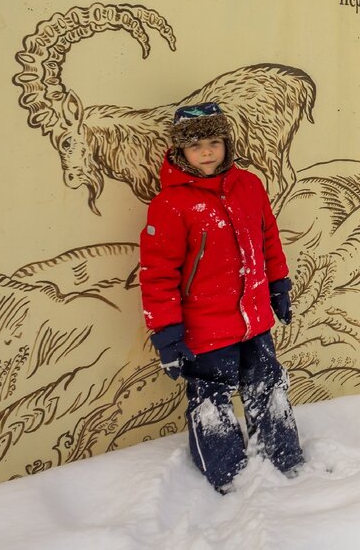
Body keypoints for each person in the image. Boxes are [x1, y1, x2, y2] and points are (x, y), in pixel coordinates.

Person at [139, 101, 303, 492]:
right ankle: (227, 476)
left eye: (214, 142)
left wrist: (278, 284)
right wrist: (167, 334)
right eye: (197, 146)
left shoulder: (249, 186)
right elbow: (157, 275)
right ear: (181, 152)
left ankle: (284, 460)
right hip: (206, 328)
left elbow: (268, 239)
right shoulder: (171, 205)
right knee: (212, 402)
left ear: (227, 144)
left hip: (254, 317)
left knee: (268, 383)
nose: (208, 152)